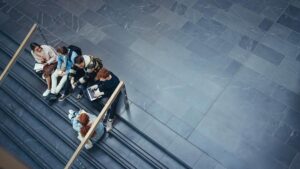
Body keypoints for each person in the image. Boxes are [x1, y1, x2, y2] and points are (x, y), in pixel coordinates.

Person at [92, 67, 120, 132]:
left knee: (113, 104)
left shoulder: (114, 82)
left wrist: (100, 93)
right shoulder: (107, 74)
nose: (100, 80)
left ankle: (110, 120)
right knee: (93, 100)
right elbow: (101, 82)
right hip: (106, 90)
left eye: (102, 79)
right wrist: (97, 86)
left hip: (114, 92)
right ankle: (104, 111)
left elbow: (110, 92)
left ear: (106, 78)